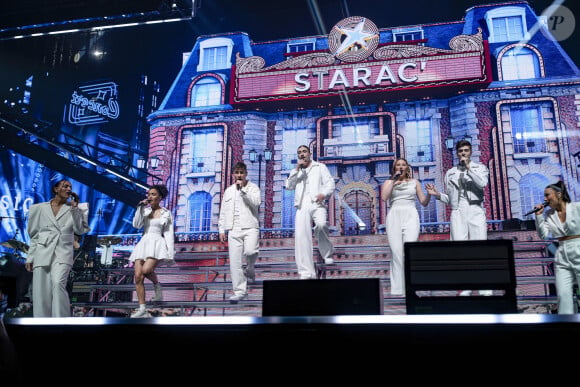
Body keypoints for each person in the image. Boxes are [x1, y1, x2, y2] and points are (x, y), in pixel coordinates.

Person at [426, 139, 490, 296]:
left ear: (470, 152)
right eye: (461, 151)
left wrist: (469, 168)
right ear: (457, 153)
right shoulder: (451, 173)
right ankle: (466, 287)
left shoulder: (480, 168)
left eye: (466, 151)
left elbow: (482, 183)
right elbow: (451, 199)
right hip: (457, 211)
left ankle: (485, 287)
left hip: (475, 209)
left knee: (479, 248)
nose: (463, 153)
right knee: (460, 250)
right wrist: (437, 195)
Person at [25, 178, 90, 317]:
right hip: (42, 252)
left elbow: (80, 229)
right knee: (41, 290)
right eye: (65, 186)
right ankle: (42, 325)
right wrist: (30, 257)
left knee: (58, 283)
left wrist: (75, 209)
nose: (68, 189)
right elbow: (34, 235)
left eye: (70, 187)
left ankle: (61, 321)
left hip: (63, 252)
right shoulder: (38, 208)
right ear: (55, 189)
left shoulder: (78, 209)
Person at [381, 158, 431, 296]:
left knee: (408, 251)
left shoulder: (415, 182)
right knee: (396, 252)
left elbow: (424, 202)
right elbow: (384, 197)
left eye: (403, 165)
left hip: (410, 215)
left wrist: (429, 195)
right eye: (398, 165)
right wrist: (393, 179)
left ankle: (410, 287)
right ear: (395, 168)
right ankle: (398, 289)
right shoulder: (388, 182)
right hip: (394, 215)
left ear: (407, 167)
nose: (401, 167)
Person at [285, 145, 335, 280]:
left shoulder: (320, 167)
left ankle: (327, 253)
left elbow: (330, 183)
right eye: (299, 152)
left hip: (317, 202)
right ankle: (306, 272)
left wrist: (323, 194)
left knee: (321, 224)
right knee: (302, 236)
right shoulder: (296, 171)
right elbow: (289, 186)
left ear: (309, 153)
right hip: (302, 204)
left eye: (304, 152)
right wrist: (297, 169)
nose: (302, 154)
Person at [128, 184, 175, 318]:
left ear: (160, 197)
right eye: (149, 194)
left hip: (157, 243)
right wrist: (140, 207)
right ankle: (142, 308)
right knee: (138, 276)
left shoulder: (166, 213)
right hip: (144, 242)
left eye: (153, 194)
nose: (150, 197)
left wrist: (170, 252)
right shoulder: (145, 210)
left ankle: (157, 287)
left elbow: (169, 233)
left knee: (146, 270)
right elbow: (136, 225)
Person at [534, 180, 580, 314]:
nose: (545, 199)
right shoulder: (549, 214)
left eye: (548, 195)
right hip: (562, 255)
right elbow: (543, 235)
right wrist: (538, 216)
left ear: (559, 195)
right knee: (563, 295)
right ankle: (566, 327)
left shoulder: (577, 207)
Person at [218, 162, 261, 303]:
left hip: (250, 226)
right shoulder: (228, 191)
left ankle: (250, 268)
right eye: (237, 172)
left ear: (246, 173)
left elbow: (256, 203)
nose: (239, 175)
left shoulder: (253, 188)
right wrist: (221, 229)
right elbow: (223, 211)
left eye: (241, 172)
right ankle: (240, 291)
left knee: (250, 252)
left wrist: (243, 191)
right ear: (233, 174)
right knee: (235, 263)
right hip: (233, 229)